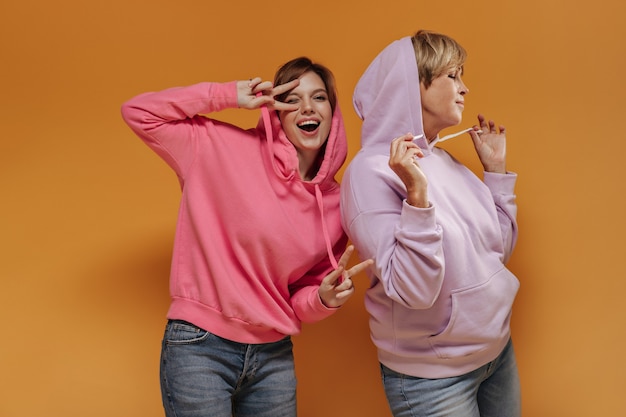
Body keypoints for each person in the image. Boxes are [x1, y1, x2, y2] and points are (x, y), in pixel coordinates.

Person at [121, 57, 373, 417]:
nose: (306, 107)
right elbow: (138, 112)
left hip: (272, 357)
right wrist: (228, 95)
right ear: (276, 111)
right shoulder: (217, 147)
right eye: (292, 98)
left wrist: (323, 298)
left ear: (333, 112)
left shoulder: (335, 203)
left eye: (319, 97)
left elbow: (299, 298)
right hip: (200, 348)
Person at [340, 30, 521, 417]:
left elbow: (495, 253)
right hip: (434, 380)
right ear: (412, 85)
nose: (465, 88)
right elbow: (414, 290)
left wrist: (497, 175)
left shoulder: (443, 161)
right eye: (452, 76)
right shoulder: (369, 174)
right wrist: (417, 199)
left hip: (496, 355)